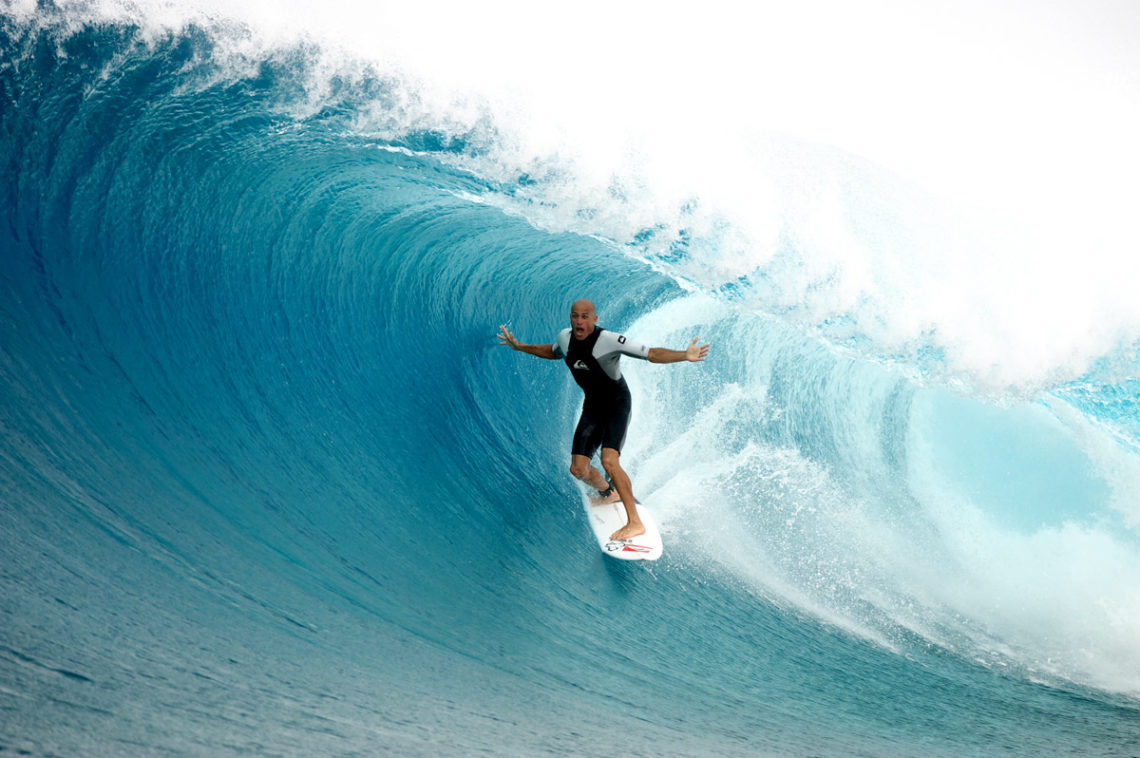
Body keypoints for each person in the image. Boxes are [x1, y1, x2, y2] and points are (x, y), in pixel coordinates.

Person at [498, 298, 710, 540]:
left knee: (609, 461)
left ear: (594, 318)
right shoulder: (564, 338)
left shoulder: (608, 340)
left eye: (585, 316)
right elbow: (552, 352)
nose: (579, 321)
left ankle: (635, 523)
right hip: (593, 406)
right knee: (578, 469)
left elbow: (651, 353)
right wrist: (520, 346)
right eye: (575, 315)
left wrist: (684, 354)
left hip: (617, 404)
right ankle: (609, 492)